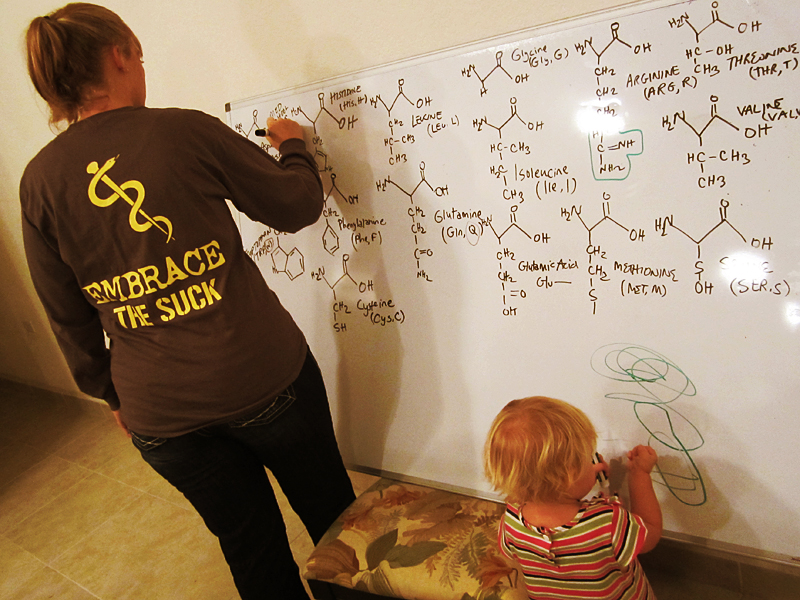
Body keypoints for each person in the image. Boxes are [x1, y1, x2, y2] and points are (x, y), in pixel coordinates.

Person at [20, 4, 355, 598]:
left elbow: (66, 316)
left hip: (160, 418)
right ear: (120, 55)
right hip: (262, 379)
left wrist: (112, 395)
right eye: (140, 57)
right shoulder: (182, 131)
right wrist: (294, 147)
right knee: (335, 524)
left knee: (251, 549)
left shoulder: (39, 181)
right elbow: (297, 205)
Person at [484, 396, 662, 600]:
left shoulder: (511, 523)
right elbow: (651, 532)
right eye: (588, 459)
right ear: (569, 476)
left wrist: (589, 478)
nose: (594, 462)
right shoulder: (607, 522)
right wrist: (640, 474)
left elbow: (513, 554)